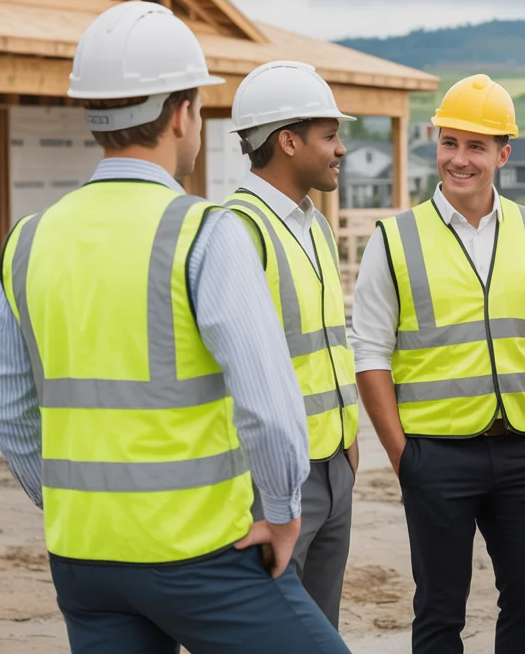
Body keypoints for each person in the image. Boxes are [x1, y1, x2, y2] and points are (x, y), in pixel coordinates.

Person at [0, 2, 348, 653]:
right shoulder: (203, 232)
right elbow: (269, 408)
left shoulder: (27, 240)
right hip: (201, 552)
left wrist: (87, 513)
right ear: (183, 112)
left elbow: (14, 418)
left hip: (84, 561)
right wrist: (281, 511)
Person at [350, 74, 525, 653]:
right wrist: (405, 458)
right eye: (450, 143)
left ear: (504, 152)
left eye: (476, 146)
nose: (460, 160)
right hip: (436, 455)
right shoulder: (395, 239)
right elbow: (369, 354)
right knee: (440, 613)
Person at [223, 60, 360, 628]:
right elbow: (239, 369)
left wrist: (348, 443)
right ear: (287, 140)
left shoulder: (316, 226)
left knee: (318, 629)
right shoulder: (236, 229)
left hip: (333, 464)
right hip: (274, 477)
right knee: (268, 632)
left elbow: (330, 344)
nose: (341, 149)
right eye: (329, 136)